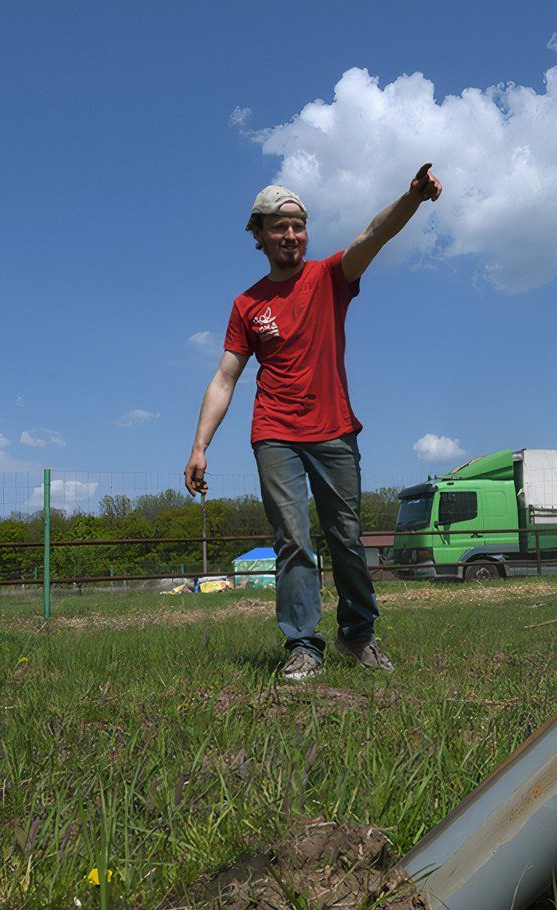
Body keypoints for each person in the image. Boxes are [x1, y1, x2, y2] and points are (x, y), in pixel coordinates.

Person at [185, 164, 442, 681]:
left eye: (299, 224)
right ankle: (304, 644)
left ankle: (357, 635)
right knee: (293, 539)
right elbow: (225, 378)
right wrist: (199, 446)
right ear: (258, 234)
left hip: (334, 429)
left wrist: (412, 198)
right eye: (279, 226)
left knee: (346, 535)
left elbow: (374, 234)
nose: (292, 234)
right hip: (274, 432)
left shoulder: (331, 278)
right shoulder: (247, 305)